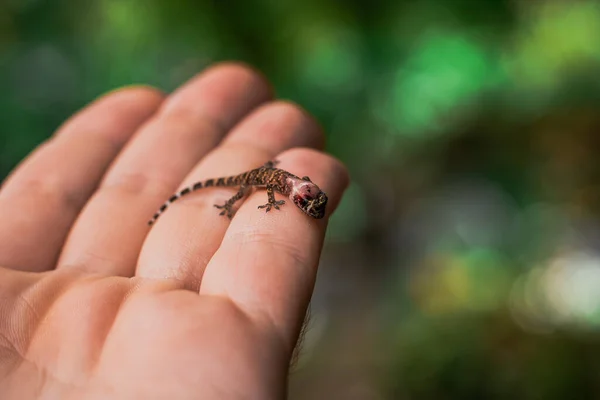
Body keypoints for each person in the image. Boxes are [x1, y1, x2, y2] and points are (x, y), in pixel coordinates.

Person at [0, 63, 348, 399]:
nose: (311, 204)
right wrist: (246, 201)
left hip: (264, 173)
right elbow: (268, 187)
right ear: (302, 192)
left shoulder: (295, 184)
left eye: (310, 202)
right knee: (236, 191)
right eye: (310, 202)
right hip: (251, 179)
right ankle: (214, 201)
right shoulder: (284, 186)